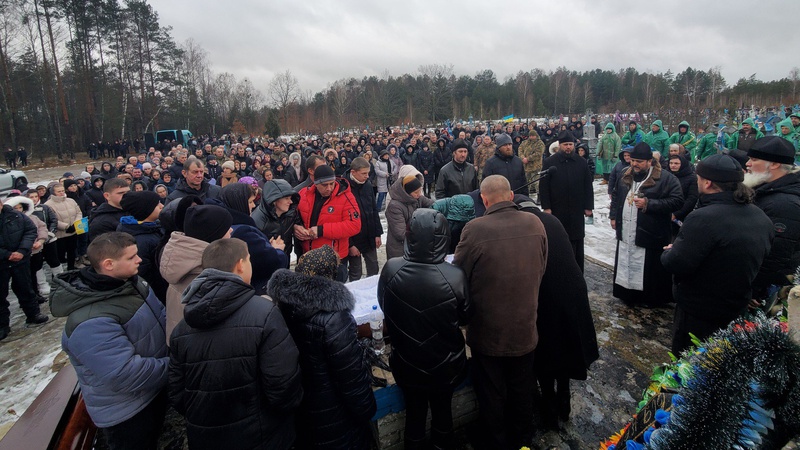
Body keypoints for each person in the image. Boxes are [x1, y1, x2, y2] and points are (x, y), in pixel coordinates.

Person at [168, 238, 303, 450]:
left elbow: (177, 392)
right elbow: (283, 385)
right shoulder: (265, 314)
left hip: (205, 436)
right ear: (240, 264)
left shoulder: (181, 329)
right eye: (249, 259)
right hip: (261, 434)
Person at [453, 175, 547, 450]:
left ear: (483, 199)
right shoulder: (535, 222)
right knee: (521, 388)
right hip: (525, 325)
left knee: (491, 392)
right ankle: (522, 439)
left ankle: (495, 442)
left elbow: (459, 276)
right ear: (510, 196)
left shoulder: (475, 229)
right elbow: (542, 267)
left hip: (488, 330)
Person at [50, 232, 168, 450]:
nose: (139, 260)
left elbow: (161, 316)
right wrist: (174, 366)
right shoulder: (90, 321)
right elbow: (124, 374)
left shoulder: (132, 282)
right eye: (132, 257)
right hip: (128, 411)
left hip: (152, 391)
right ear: (109, 264)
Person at [662, 154, 773, 354]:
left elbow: (676, 264)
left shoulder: (702, 218)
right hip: (737, 308)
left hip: (699, 311)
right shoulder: (761, 216)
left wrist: (671, 251)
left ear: (708, 182)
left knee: (689, 365)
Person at [378, 209, 471, 449]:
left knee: (415, 416)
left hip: (407, 363)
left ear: (410, 236)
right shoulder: (455, 275)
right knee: (443, 414)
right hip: (446, 364)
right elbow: (465, 316)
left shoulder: (391, 268)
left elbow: (384, 305)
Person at [268, 246, 377, 449]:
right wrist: (367, 409)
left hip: (303, 415)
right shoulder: (334, 319)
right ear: (329, 275)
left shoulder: (285, 305)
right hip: (336, 421)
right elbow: (351, 378)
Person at [513, 195, 599, 430]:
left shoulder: (526, 228)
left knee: (547, 353)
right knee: (566, 347)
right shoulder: (553, 221)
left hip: (548, 294)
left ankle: (549, 409)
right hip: (573, 289)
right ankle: (564, 400)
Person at [609, 143, 683, 307]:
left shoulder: (666, 178)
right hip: (626, 230)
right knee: (626, 261)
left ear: (650, 161)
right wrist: (613, 216)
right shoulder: (625, 174)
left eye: (639, 161)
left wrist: (649, 204)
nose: (634, 164)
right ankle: (626, 294)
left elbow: (677, 201)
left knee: (647, 268)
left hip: (650, 232)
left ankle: (649, 299)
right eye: (633, 160)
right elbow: (616, 195)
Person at [160, 204, 233, 343]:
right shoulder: (203, 275)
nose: (231, 230)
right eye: (226, 228)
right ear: (213, 234)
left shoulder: (185, 261)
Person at [744, 137, 800, 302]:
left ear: (774, 164)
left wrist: (752, 289)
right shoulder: (766, 191)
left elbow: (775, 256)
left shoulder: (784, 204)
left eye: (754, 159)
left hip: (767, 291)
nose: (748, 164)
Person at [294, 165, 361, 282]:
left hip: (335, 259)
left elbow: (354, 225)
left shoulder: (346, 196)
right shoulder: (304, 194)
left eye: (332, 183)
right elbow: (292, 215)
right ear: (315, 182)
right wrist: (296, 227)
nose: (329, 188)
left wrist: (321, 230)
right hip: (309, 257)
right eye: (324, 185)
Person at [540, 130, 594, 272]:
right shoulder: (550, 162)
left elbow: (588, 185)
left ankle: (577, 273)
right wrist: (546, 207)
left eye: (570, 144)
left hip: (576, 210)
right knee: (559, 241)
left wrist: (589, 206)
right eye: (565, 145)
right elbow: (543, 187)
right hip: (557, 209)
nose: (568, 147)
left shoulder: (581, 162)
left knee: (576, 242)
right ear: (559, 145)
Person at [0, 195, 49, 341]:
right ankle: (2, 325)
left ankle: (33, 314)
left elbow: (30, 231)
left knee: (25, 287)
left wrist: (22, 251)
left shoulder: (16, 215)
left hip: (20, 259)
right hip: (2, 262)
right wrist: (7, 254)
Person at [117, 191, 168, 303]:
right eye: (157, 204)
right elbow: (145, 276)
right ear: (146, 210)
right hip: (158, 294)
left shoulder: (155, 227)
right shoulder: (139, 240)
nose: (162, 206)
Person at [345, 157, 383, 281]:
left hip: (369, 235)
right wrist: (350, 245)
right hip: (354, 238)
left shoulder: (367, 185)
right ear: (353, 172)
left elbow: (373, 210)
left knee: (374, 267)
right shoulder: (344, 188)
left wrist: (377, 233)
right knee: (356, 272)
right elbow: (342, 219)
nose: (367, 176)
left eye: (368, 173)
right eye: (364, 173)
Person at [386, 173, 435, 260]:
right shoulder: (394, 206)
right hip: (400, 250)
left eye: (420, 191)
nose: (419, 194)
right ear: (407, 192)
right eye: (416, 192)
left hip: (414, 247)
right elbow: (400, 233)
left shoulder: (418, 198)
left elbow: (434, 205)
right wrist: (425, 234)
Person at [45, 183, 83, 271]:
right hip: (60, 234)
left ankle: (71, 267)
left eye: (62, 191)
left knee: (72, 251)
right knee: (60, 253)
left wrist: (75, 224)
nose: (61, 193)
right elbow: (52, 219)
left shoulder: (70, 201)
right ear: (53, 193)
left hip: (73, 230)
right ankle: (59, 271)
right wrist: (66, 227)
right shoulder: (48, 204)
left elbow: (78, 212)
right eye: (59, 191)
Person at [88, 178, 130, 243]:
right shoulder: (100, 222)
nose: (126, 195)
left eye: (128, 192)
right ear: (107, 196)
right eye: (121, 193)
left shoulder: (132, 210)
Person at [667, 154, 699, 239]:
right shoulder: (667, 176)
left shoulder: (691, 178)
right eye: (671, 163)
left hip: (682, 215)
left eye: (676, 163)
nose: (673, 165)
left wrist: (676, 214)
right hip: (666, 212)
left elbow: (692, 198)